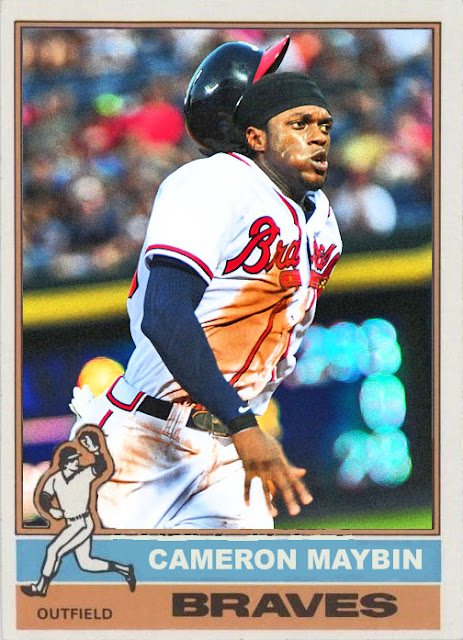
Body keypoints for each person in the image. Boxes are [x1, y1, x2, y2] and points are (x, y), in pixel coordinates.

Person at [70, 38, 342, 529]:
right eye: (273, 94)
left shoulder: (320, 219)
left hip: (231, 449)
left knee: (249, 580)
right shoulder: (212, 183)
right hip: (144, 438)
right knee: (88, 577)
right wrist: (242, 422)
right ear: (251, 127)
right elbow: (164, 314)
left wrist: (242, 423)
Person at [21, 429, 136, 597]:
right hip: (71, 523)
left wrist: (97, 451)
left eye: (76, 459)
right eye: (72, 460)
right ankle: (125, 569)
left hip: (83, 522)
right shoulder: (54, 477)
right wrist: (51, 509)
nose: (75, 462)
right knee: (86, 563)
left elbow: (102, 467)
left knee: (53, 551)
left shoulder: (83, 474)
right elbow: (44, 496)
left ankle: (41, 588)